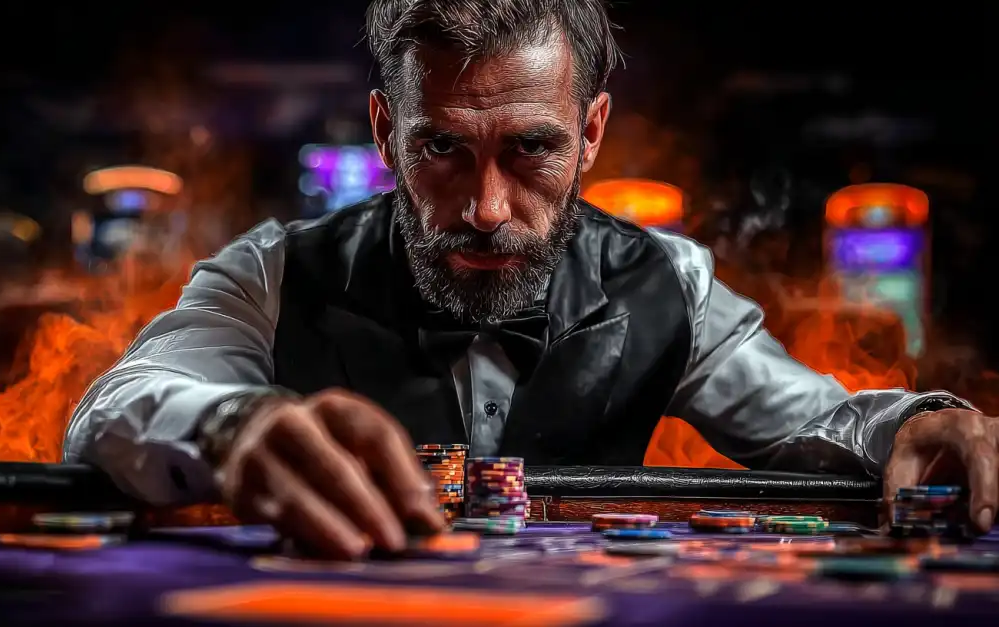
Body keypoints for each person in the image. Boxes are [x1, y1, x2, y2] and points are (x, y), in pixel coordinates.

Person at [64, 0, 998, 559]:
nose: (485, 207)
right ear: (386, 131)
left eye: (531, 149)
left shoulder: (668, 279)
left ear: (590, 132)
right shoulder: (272, 271)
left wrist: (919, 419)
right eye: (442, 148)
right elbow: (120, 401)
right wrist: (232, 422)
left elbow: (818, 418)